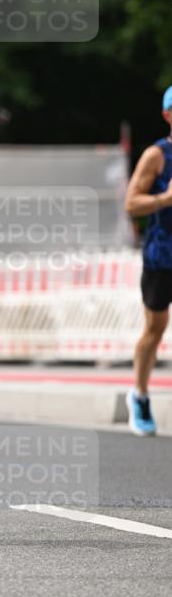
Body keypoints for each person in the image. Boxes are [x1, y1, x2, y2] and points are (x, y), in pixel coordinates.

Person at [124, 85, 172, 435]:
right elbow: (131, 203)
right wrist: (166, 199)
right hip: (162, 254)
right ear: (168, 115)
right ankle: (139, 394)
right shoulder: (157, 155)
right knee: (155, 330)